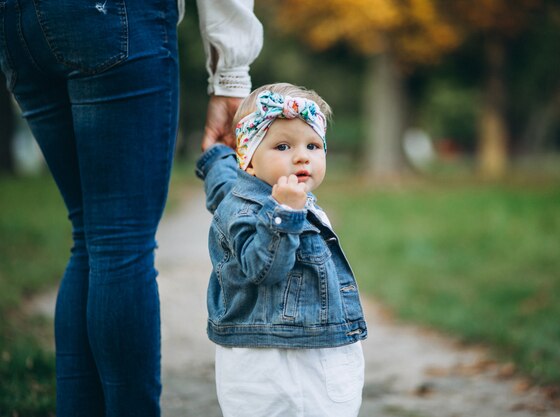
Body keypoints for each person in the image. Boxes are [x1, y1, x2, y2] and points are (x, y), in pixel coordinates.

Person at [0, 0, 262, 415]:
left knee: (89, 239)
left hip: (18, 22)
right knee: (118, 244)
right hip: (110, 18)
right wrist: (231, 75)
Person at [195, 83, 368, 417]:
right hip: (274, 360)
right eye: (283, 145)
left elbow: (223, 185)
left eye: (313, 145)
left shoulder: (259, 190)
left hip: (307, 343)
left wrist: (217, 155)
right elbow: (264, 268)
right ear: (247, 161)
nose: (302, 155)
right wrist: (285, 214)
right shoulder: (257, 209)